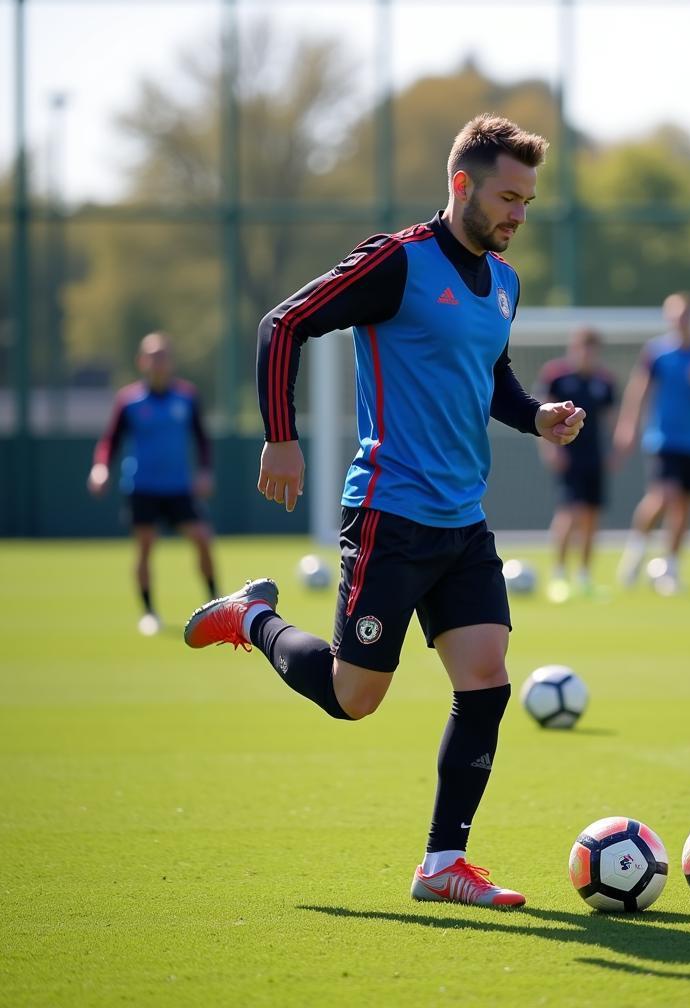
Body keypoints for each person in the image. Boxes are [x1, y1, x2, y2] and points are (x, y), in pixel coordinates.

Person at [182, 115, 584, 908]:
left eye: (529, 201)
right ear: (462, 184)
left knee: (487, 680)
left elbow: (490, 376)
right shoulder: (399, 261)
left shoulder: (504, 283)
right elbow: (284, 322)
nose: (519, 215)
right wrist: (281, 438)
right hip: (389, 513)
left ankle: (442, 863)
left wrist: (534, 414)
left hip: (462, 520)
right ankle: (253, 617)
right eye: (508, 197)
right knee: (353, 698)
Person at [87, 332, 218, 635]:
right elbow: (110, 440)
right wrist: (100, 467)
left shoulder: (187, 396)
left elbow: (202, 439)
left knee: (201, 538)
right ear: (142, 361)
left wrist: (205, 471)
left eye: (164, 356)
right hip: (142, 486)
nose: (158, 362)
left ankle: (216, 605)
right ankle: (148, 612)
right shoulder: (129, 401)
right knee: (145, 547)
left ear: (171, 361)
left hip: (178, 488)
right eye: (153, 356)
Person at [613, 292, 690, 595]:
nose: (680, 321)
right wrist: (628, 427)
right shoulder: (657, 353)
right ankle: (636, 552)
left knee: (684, 505)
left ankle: (670, 568)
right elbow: (639, 390)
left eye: (685, 315)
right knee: (664, 496)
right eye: (674, 316)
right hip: (663, 439)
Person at [536, 327, 616, 601]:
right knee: (569, 513)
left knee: (592, 516)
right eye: (582, 347)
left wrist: (613, 450)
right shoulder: (556, 376)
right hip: (568, 455)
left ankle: (584, 577)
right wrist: (550, 450)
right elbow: (540, 414)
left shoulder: (604, 381)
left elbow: (610, 418)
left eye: (592, 348)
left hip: (594, 457)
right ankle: (558, 576)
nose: (586, 354)